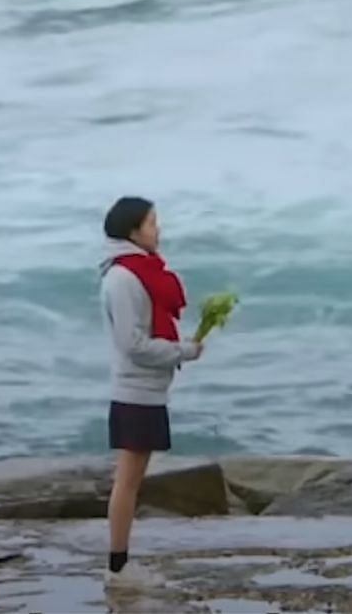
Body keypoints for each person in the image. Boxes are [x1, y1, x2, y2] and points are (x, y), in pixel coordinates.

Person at [98, 196, 205, 586]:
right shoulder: (123, 278)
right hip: (134, 391)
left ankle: (120, 561)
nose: (158, 230)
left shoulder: (138, 271)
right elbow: (133, 344)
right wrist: (184, 351)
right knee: (128, 481)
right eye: (151, 223)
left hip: (147, 390)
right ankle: (118, 565)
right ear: (133, 231)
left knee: (131, 480)